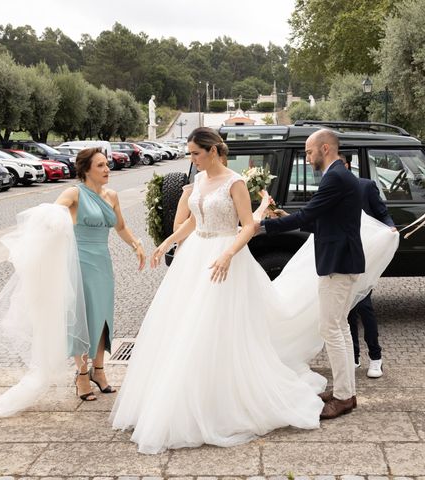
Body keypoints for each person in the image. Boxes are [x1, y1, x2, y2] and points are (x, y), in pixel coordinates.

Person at [110, 128, 323, 453]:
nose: (191, 158)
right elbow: (194, 220)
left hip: (225, 257)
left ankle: (223, 398)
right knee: (182, 323)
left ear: (212, 151)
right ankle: (183, 393)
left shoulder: (234, 182)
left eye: (195, 153)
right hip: (195, 255)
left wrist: (227, 253)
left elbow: (249, 225)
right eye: (190, 153)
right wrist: (169, 241)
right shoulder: (198, 182)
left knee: (214, 323)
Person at [256, 129, 365, 420]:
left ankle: (344, 397)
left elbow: (309, 215)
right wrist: (282, 218)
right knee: (338, 327)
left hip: (338, 263)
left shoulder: (335, 177)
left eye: (308, 152)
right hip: (342, 259)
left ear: (325, 148)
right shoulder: (340, 175)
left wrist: (264, 226)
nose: (307, 157)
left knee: (331, 328)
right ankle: (345, 391)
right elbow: (325, 220)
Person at [55, 147, 146, 401]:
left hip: (102, 262)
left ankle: (99, 370)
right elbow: (53, 213)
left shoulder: (112, 195)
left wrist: (136, 245)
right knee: (81, 318)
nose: (107, 169)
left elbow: (121, 226)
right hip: (79, 262)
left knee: (103, 316)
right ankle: (82, 375)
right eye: (101, 166)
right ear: (85, 170)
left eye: (107, 164)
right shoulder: (74, 193)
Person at [343, 157, 397, 379]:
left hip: (366, 254)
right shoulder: (330, 191)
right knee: (348, 309)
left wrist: (391, 227)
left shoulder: (366, 186)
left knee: (364, 304)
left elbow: (382, 212)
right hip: (343, 255)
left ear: (346, 166)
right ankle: (354, 356)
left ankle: (376, 358)